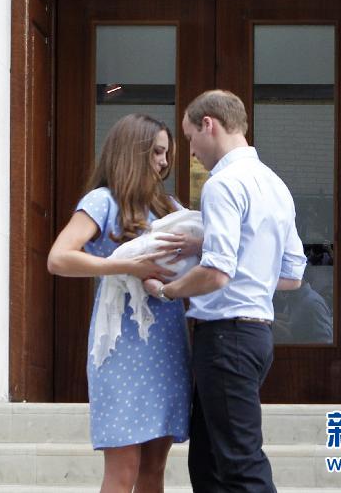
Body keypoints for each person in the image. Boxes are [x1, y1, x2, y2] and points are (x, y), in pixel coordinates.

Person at [144, 90, 307, 493]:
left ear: (208, 124)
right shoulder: (275, 185)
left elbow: (217, 273)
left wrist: (167, 290)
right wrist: (213, 249)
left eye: (189, 138)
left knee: (238, 465)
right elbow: (292, 275)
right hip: (254, 338)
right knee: (211, 462)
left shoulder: (222, 185)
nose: (192, 152)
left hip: (225, 339)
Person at [47, 114, 201, 493]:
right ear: (134, 153)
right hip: (120, 344)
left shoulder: (169, 205)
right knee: (123, 467)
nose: (165, 162)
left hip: (167, 340)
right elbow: (58, 258)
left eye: (167, 153)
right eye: (158, 152)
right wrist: (126, 265)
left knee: (155, 467)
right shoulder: (101, 201)